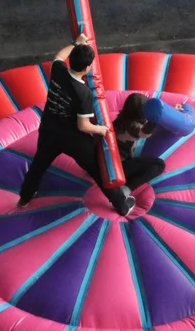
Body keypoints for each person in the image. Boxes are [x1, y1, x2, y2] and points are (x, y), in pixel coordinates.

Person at [18, 37, 135, 216]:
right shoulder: (83, 93)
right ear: (88, 68)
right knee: (97, 169)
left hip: (49, 129)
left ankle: (24, 198)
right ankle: (121, 205)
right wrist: (101, 130)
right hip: (72, 138)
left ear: (70, 60)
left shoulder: (58, 71)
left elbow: (59, 56)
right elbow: (83, 126)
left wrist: (76, 43)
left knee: (38, 164)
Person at [113, 94, 166, 189]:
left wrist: (168, 112)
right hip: (120, 168)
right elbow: (144, 133)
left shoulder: (122, 119)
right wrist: (155, 119)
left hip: (115, 164)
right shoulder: (131, 126)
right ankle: (128, 187)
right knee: (159, 164)